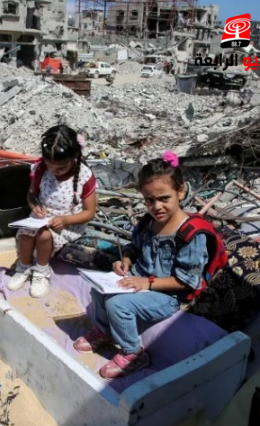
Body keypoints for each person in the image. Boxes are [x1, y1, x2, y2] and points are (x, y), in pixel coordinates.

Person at [73, 151, 211, 379]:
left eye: (164, 198)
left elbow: (188, 281)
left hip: (166, 295)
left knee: (118, 304)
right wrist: (126, 260)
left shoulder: (191, 234)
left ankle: (133, 353)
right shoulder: (148, 223)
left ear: (180, 192)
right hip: (138, 280)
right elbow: (134, 248)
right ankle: (104, 331)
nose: (157, 206)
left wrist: (147, 283)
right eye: (149, 200)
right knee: (98, 290)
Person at [7, 125, 97, 298]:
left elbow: (89, 212)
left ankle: (41, 270)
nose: (54, 172)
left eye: (60, 168)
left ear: (74, 157)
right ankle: (24, 266)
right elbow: (31, 195)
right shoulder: (40, 169)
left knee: (44, 236)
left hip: (68, 223)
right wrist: (34, 207)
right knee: (25, 233)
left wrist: (64, 220)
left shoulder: (84, 176)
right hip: (41, 218)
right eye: (50, 166)